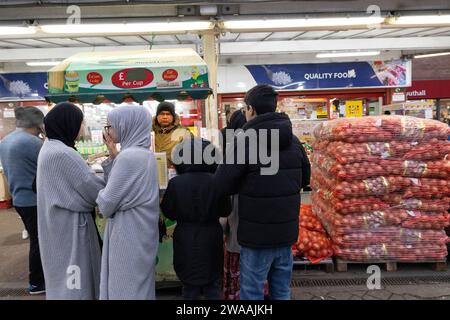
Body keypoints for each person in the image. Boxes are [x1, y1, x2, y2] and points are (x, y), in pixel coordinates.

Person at [214, 84, 311, 300]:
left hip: (256, 236)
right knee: (282, 290)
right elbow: (305, 179)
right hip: (286, 233)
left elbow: (222, 184)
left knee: (252, 292)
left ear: (250, 110)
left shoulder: (244, 142)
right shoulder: (294, 142)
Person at [37, 102, 105, 300]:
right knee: (76, 277)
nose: (82, 127)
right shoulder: (64, 153)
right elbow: (93, 189)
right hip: (71, 227)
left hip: (57, 224)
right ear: (69, 123)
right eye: (81, 122)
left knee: (64, 274)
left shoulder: (49, 148)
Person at [97, 105, 160, 300]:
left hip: (128, 233)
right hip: (141, 230)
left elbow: (106, 204)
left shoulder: (129, 157)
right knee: (139, 284)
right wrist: (113, 155)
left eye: (110, 125)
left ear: (126, 126)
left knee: (125, 286)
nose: (108, 131)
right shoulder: (143, 153)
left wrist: (98, 193)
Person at [161, 138, 231, 300]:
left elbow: (168, 211)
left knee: (189, 286)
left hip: (185, 236)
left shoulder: (176, 183)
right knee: (213, 286)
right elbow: (226, 209)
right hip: (211, 235)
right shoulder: (217, 181)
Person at [0, 106, 46, 295]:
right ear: (38, 124)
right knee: (39, 242)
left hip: (19, 199)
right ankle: (36, 282)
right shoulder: (33, 142)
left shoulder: (6, 141)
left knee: (35, 240)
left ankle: (37, 280)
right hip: (34, 200)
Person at [220, 110, 246, 300]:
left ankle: (235, 294)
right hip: (274, 229)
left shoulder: (234, 147)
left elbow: (224, 182)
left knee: (238, 250)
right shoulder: (284, 141)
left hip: (238, 213)